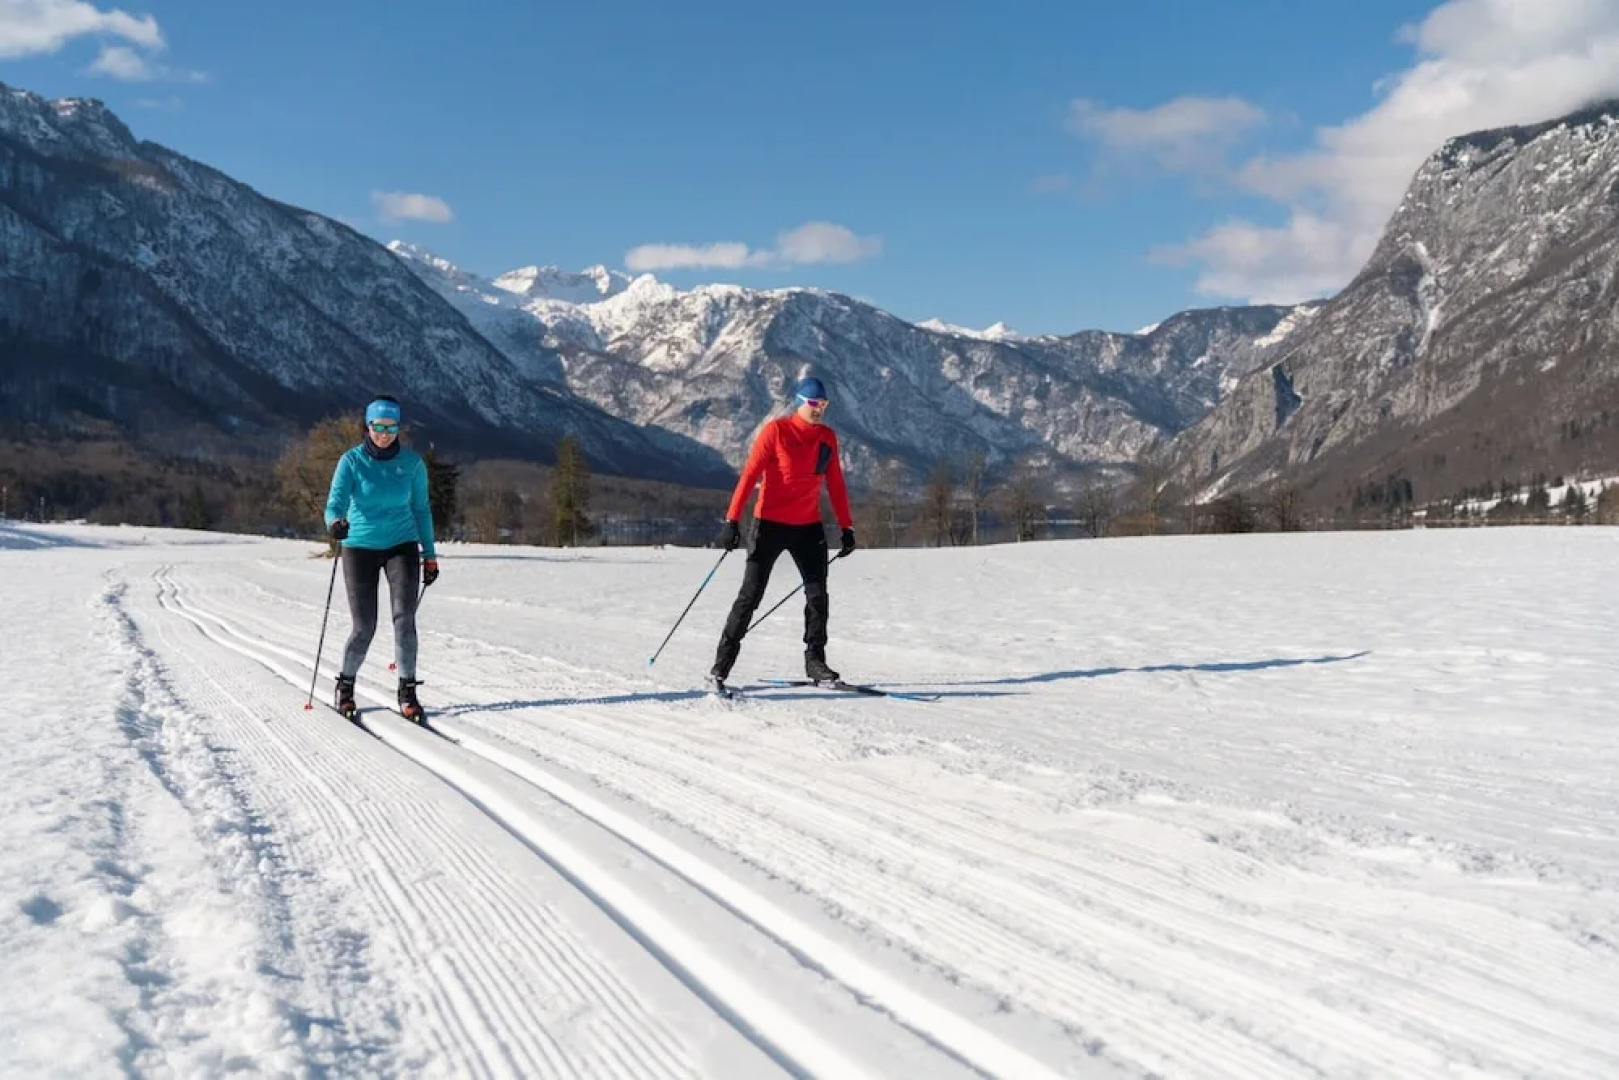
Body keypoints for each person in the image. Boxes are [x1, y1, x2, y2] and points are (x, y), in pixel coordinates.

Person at [710, 376, 856, 688]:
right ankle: (720, 668)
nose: (819, 410)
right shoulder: (776, 431)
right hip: (770, 525)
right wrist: (732, 521)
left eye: (824, 405)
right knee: (751, 595)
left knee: (818, 595)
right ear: (800, 403)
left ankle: (815, 661)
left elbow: (836, 486)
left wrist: (847, 527)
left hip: (808, 527)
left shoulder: (827, 438)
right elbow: (749, 476)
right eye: (814, 404)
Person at [323, 395, 439, 721]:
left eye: (391, 427)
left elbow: (421, 510)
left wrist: (429, 556)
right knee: (364, 626)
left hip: (401, 545)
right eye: (378, 426)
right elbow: (334, 504)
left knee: (405, 620)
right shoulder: (351, 462)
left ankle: (407, 690)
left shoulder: (412, 464)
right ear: (368, 425)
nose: (384, 433)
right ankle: (345, 686)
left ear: (398, 427)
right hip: (359, 547)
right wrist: (335, 523)